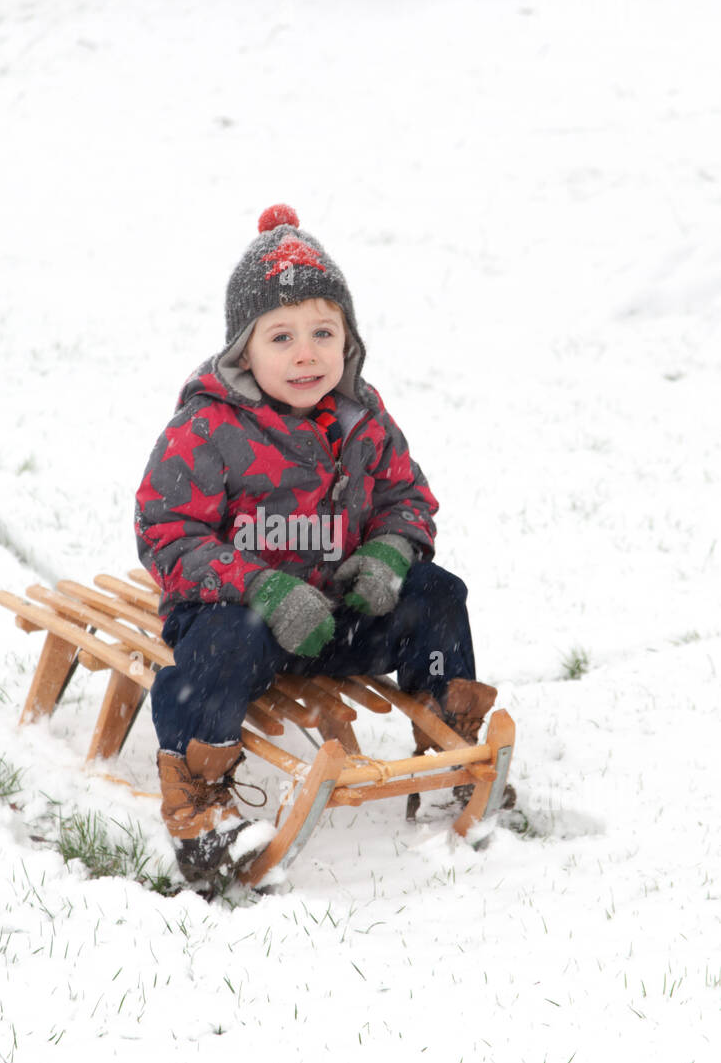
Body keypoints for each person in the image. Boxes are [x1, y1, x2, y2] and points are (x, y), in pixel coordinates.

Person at [135, 204, 497, 889]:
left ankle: (452, 741)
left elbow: (408, 499)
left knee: (439, 592)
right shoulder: (206, 429)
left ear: (348, 340)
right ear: (243, 349)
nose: (306, 353)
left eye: (323, 332)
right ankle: (199, 804)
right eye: (281, 337)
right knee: (217, 648)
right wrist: (262, 588)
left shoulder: (364, 416)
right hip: (242, 618)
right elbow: (167, 534)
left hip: (339, 615)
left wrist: (390, 553)